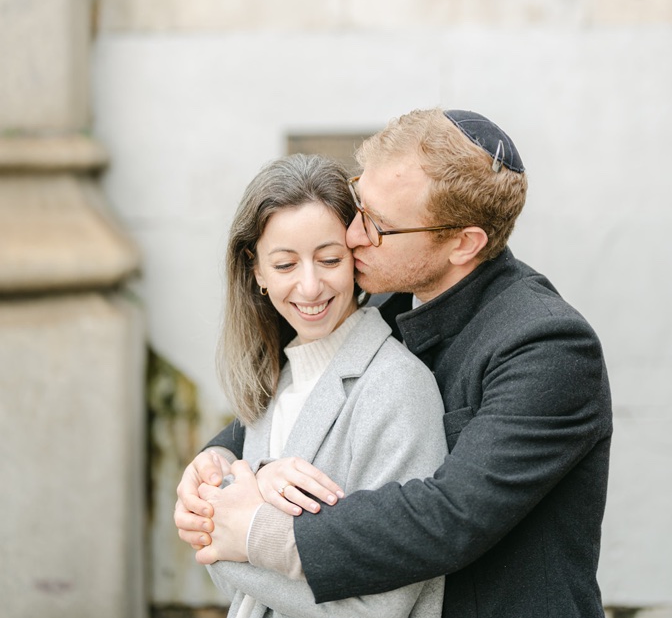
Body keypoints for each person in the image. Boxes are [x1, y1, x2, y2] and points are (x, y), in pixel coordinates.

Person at [176, 108, 612, 618]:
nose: (355, 234)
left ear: (462, 244)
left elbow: (447, 518)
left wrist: (257, 530)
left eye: (380, 226)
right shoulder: (392, 297)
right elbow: (306, 394)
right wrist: (221, 463)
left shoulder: (547, 346)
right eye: (361, 201)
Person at [205, 153, 446, 618]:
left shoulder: (398, 388)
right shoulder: (275, 379)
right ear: (255, 271)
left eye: (329, 258)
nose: (310, 287)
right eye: (285, 265)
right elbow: (222, 556)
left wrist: (228, 534)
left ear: (357, 255)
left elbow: (382, 606)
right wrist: (237, 494)